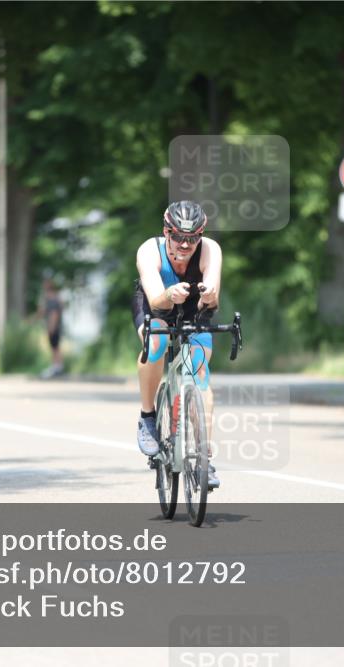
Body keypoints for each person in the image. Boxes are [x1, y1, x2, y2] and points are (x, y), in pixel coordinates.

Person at [132, 201, 222, 488]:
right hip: (156, 305)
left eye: (193, 237)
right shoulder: (149, 250)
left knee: (199, 367)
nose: (185, 244)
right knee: (156, 341)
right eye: (179, 236)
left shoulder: (210, 250)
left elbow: (215, 297)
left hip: (194, 310)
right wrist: (169, 294)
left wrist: (208, 296)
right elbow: (156, 297)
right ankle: (148, 416)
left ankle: (205, 457)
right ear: (166, 232)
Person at [38, 278, 64, 379]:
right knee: (55, 346)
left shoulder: (52, 298)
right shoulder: (54, 297)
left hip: (54, 326)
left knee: (54, 346)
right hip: (54, 325)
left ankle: (57, 367)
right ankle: (57, 366)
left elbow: (55, 313)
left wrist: (51, 327)